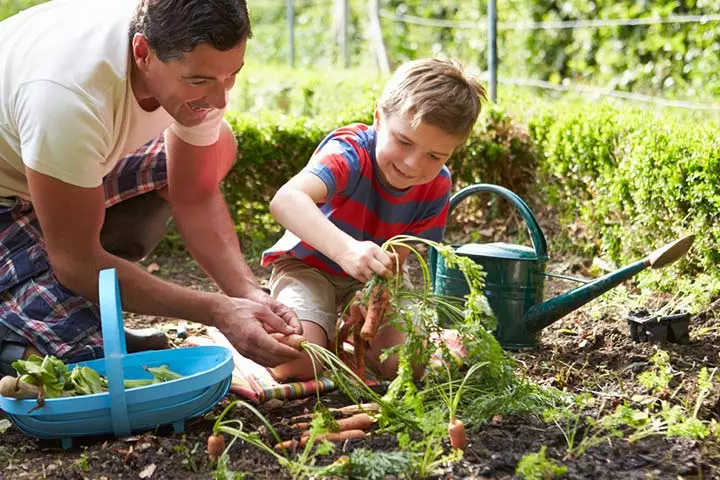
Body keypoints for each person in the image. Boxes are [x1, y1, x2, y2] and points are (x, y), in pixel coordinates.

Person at [0, 0, 304, 377]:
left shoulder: (196, 60)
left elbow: (194, 193)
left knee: (216, 146)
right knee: (80, 363)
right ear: (143, 52)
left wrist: (248, 295)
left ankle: (61, 280)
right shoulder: (67, 96)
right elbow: (76, 263)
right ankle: (18, 324)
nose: (220, 98)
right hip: (8, 194)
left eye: (231, 75)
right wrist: (216, 310)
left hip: (56, 163)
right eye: (199, 81)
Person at [262, 58, 487, 381]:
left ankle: (349, 340)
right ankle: (312, 328)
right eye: (404, 141)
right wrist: (345, 251)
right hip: (309, 266)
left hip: (373, 279)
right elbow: (286, 200)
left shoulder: (437, 186)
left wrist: (372, 296)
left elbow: (398, 258)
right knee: (295, 363)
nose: (412, 164)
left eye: (435, 156)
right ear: (378, 118)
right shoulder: (349, 152)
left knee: (405, 365)